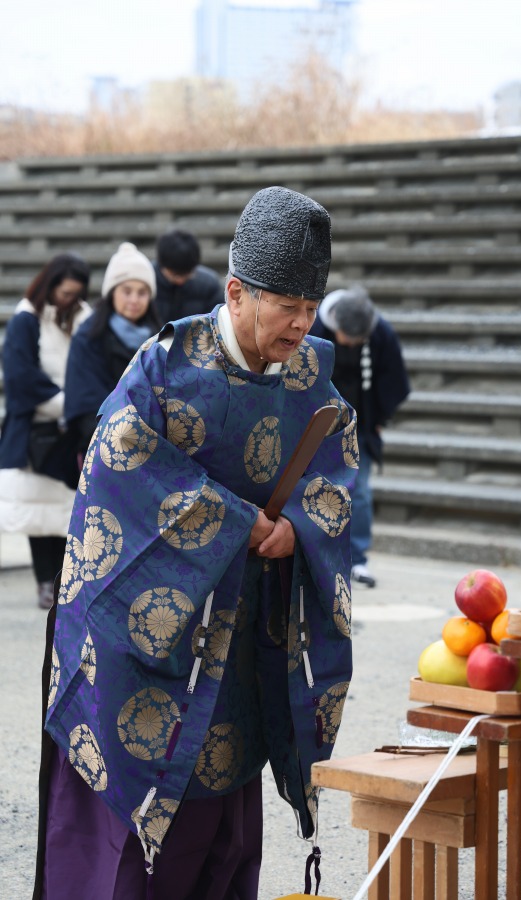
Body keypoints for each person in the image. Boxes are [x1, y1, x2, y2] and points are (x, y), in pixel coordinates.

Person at [35, 186, 357, 900]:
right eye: (287, 309)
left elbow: (336, 479)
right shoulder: (164, 366)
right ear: (237, 293)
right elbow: (119, 468)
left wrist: (297, 531)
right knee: (128, 854)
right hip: (140, 649)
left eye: (311, 310)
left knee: (223, 845)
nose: (302, 327)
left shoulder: (314, 378)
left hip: (240, 649)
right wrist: (242, 522)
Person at [0, 253, 92, 609]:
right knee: (39, 512)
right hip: (37, 429)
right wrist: (67, 402)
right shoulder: (27, 320)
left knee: (67, 509)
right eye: (66, 292)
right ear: (50, 286)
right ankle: (45, 582)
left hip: (70, 427)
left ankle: (63, 581)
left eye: (76, 294)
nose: (70, 299)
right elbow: (22, 378)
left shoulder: (80, 317)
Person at [311, 285, 410, 588]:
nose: (351, 344)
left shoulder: (380, 333)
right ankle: (318, 553)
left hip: (361, 422)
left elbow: (393, 379)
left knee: (360, 491)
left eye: (356, 340)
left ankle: (358, 557)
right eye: (347, 338)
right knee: (316, 487)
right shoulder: (316, 327)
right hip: (317, 422)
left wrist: (379, 419)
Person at [64, 242, 162, 455]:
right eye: (127, 291)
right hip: (102, 449)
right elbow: (85, 405)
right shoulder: (89, 337)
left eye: (142, 292)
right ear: (111, 292)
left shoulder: (160, 338)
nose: (134, 300)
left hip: (153, 449)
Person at [153, 228, 222, 324]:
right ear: (162, 265)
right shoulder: (145, 282)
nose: (180, 280)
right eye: (175, 275)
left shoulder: (209, 285)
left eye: (186, 274)